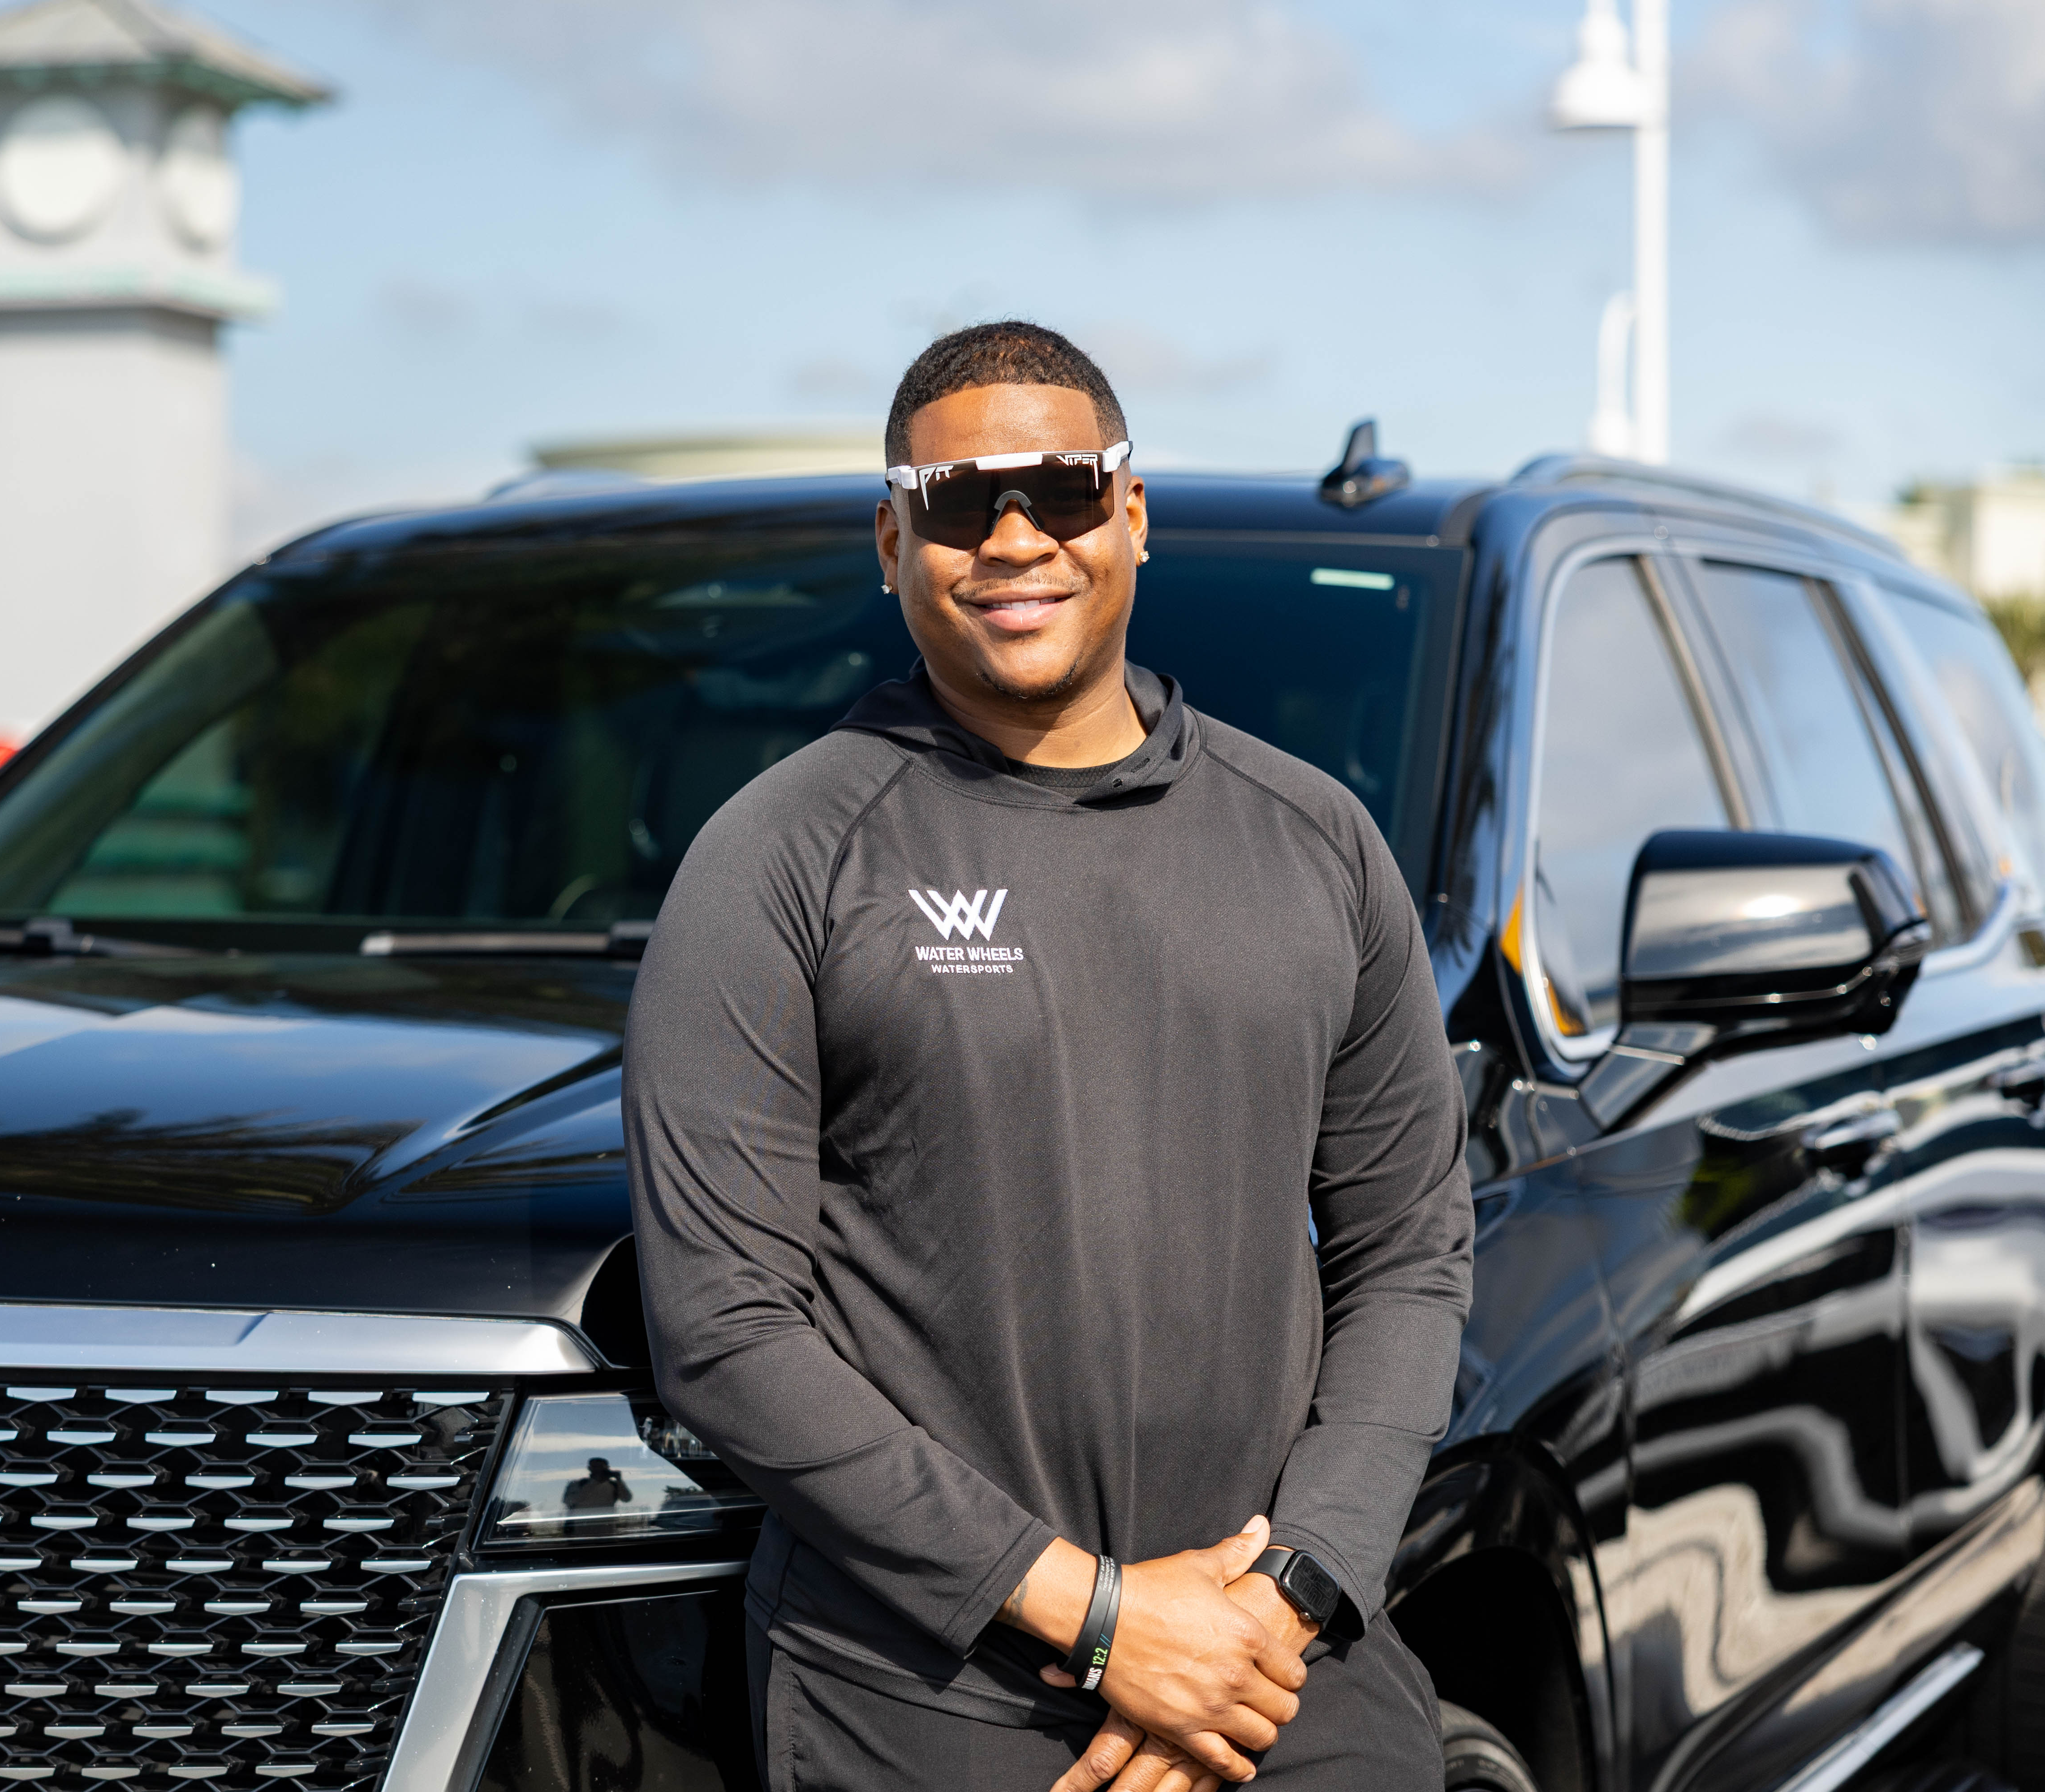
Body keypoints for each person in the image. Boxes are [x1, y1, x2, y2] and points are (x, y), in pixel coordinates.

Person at [621, 321, 1473, 1792]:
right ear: (893, 540)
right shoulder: (780, 856)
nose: (1016, 538)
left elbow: (1410, 1250)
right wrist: (1102, 1623)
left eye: (1065, 489)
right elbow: (724, 1330)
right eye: (959, 504)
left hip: (1288, 1680)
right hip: (928, 1696)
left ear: (1132, 514)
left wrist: (1291, 1595)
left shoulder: (1319, 841)